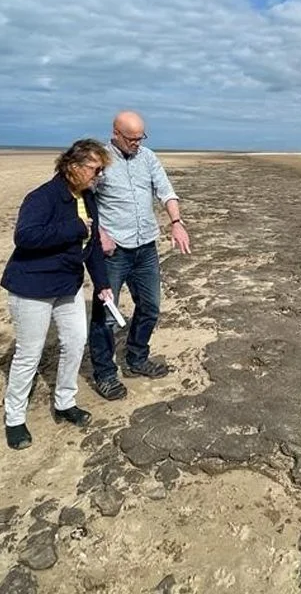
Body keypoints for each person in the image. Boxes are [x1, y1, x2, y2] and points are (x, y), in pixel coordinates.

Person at [0, 139, 114, 450]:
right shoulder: (42, 197)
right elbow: (25, 236)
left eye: (101, 171)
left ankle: (65, 403)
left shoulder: (87, 197)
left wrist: (102, 283)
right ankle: (14, 418)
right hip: (32, 287)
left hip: (68, 284)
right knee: (29, 353)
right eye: (95, 169)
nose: (99, 176)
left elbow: (92, 245)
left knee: (76, 342)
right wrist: (75, 228)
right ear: (72, 166)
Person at [87, 110, 192, 400]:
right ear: (115, 134)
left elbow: (166, 191)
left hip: (146, 247)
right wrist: (99, 233)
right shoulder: (99, 160)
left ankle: (136, 357)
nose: (137, 143)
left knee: (150, 307)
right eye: (131, 138)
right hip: (113, 252)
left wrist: (176, 222)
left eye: (140, 137)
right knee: (106, 317)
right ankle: (105, 374)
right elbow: (83, 199)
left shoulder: (148, 157)